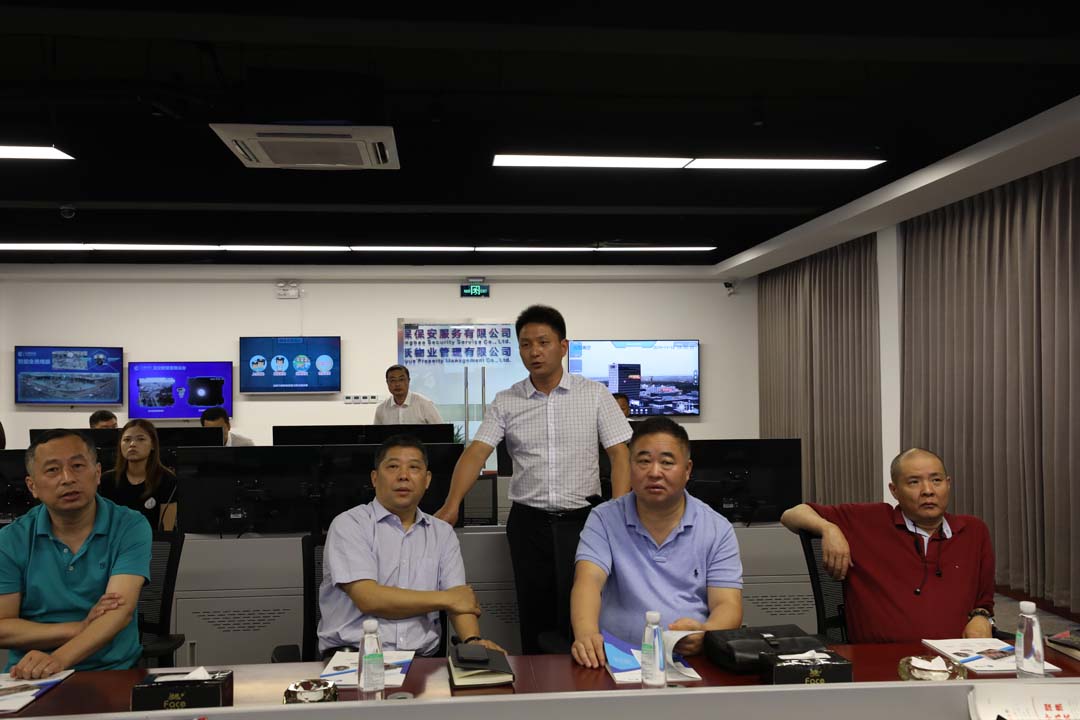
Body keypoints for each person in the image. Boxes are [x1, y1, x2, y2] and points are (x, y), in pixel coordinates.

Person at [435, 304, 632, 654]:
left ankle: (585, 682)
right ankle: (538, 684)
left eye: (543, 342)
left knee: (583, 613)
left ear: (563, 346)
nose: (534, 352)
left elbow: (620, 455)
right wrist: (452, 505)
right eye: (526, 344)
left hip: (583, 522)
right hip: (528, 524)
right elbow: (476, 453)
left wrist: (617, 511)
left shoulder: (594, 394)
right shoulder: (506, 401)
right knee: (534, 614)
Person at [571, 417, 743, 667]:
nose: (654, 472)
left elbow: (727, 603)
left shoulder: (717, 528)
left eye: (667, 462)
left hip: (689, 661)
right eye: (643, 461)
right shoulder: (604, 519)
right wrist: (586, 635)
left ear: (687, 470)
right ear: (630, 467)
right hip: (615, 658)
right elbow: (588, 581)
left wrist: (706, 634)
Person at [779, 447, 995, 643]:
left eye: (936, 480)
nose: (928, 490)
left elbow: (983, 602)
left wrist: (981, 616)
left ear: (948, 484)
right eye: (914, 482)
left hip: (956, 658)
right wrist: (829, 529)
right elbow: (791, 514)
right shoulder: (868, 520)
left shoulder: (973, 530)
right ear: (894, 490)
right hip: (881, 659)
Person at [318, 435, 505, 658]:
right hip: (355, 658)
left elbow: (461, 601)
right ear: (375, 478)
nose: (403, 476)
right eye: (393, 467)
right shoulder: (350, 524)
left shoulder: (442, 533)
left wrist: (473, 640)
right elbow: (368, 598)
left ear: (427, 480)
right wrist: (447, 598)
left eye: (414, 467)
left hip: (422, 661)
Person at [0, 429, 149, 678]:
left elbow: (119, 612)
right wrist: (77, 628)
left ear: (97, 473)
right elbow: (3, 627)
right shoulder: (10, 539)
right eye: (52, 470)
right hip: (30, 675)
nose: (68, 478)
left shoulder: (129, 525)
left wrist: (57, 660)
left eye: (78, 466)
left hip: (112, 671)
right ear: (32, 486)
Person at [99, 420, 178, 531]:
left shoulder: (167, 479)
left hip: (152, 540)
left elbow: (167, 529)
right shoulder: (106, 480)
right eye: (127, 440)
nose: (132, 444)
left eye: (140, 439)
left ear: (153, 445)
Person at [372, 365, 444, 425]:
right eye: (393, 380)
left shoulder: (425, 404)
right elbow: (376, 436)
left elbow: (441, 431)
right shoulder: (381, 409)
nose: (397, 384)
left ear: (408, 381)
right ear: (387, 383)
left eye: (401, 379)